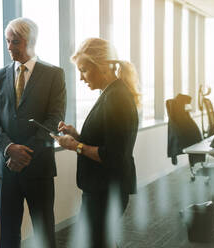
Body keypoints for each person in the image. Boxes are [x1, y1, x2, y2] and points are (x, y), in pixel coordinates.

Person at [0, 17, 66, 248]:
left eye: (15, 42)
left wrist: (25, 153)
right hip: (6, 168)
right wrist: (9, 148)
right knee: (8, 235)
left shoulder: (54, 75)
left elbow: (54, 119)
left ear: (30, 42)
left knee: (44, 232)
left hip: (38, 166)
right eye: (7, 41)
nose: (9, 47)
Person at [52, 38, 140, 247]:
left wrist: (75, 146)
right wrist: (78, 136)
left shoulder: (116, 98)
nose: (81, 78)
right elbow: (108, 140)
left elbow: (112, 155)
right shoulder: (111, 93)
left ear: (101, 67)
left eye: (83, 70)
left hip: (106, 190)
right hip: (103, 188)